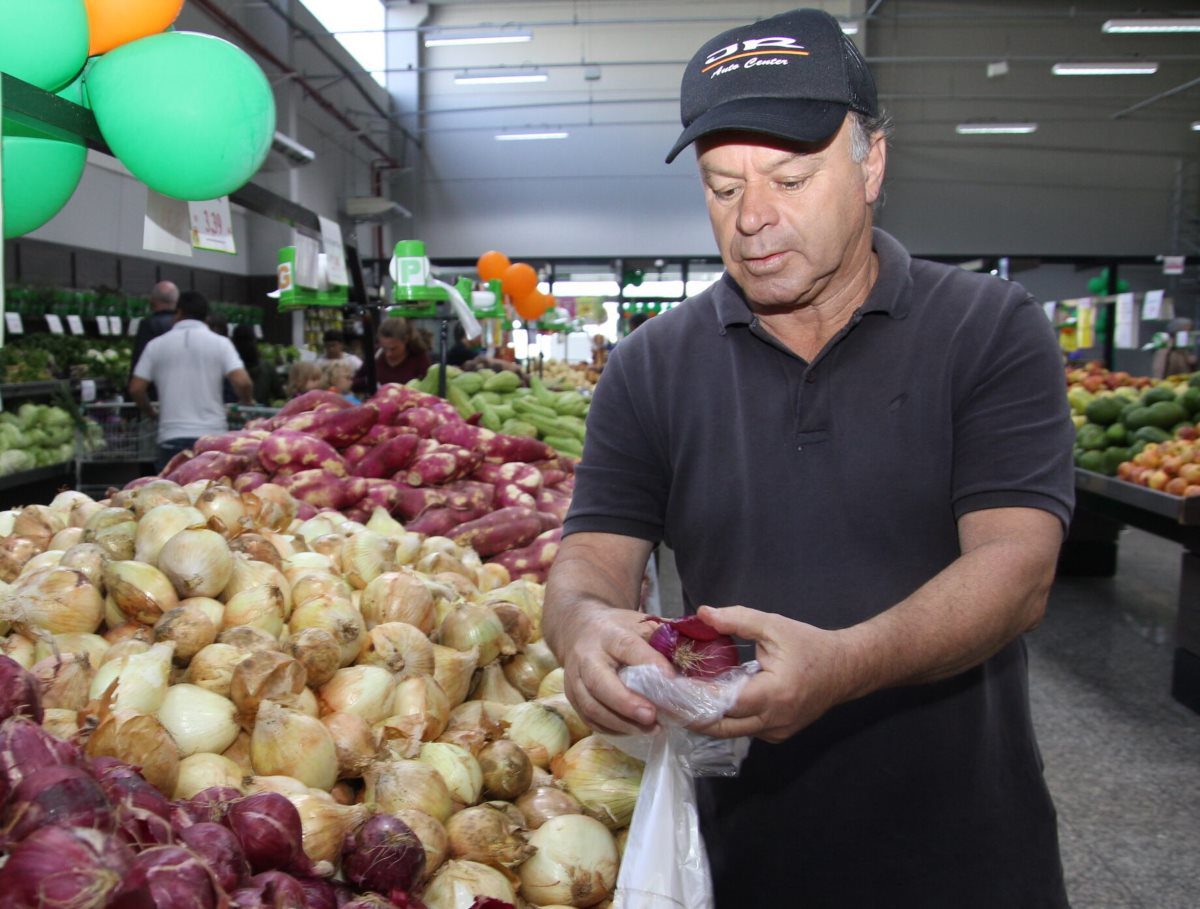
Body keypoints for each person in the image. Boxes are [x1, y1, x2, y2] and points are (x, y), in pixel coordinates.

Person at [542, 9, 1074, 908]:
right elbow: (590, 559)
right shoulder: (650, 366)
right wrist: (583, 627)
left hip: (964, 853)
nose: (752, 217)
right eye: (721, 186)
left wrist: (841, 665)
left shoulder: (988, 328)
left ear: (871, 164)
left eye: (790, 178)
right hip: (742, 853)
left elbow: (1017, 570)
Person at [130, 291, 253, 470]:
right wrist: (246, 401)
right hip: (213, 436)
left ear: (178, 313)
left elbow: (136, 388)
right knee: (214, 493)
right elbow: (243, 382)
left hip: (171, 436)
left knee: (171, 494)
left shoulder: (156, 345)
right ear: (206, 316)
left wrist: (150, 412)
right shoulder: (221, 343)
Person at [351, 317, 432, 393]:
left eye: (393, 349)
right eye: (384, 348)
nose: (388, 354)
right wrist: (367, 381)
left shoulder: (418, 358)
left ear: (406, 340)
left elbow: (429, 389)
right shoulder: (375, 355)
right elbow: (355, 383)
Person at [129, 280, 179, 384]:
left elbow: (140, 360)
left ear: (153, 300)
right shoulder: (182, 325)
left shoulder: (149, 325)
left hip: (154, 388)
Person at [232, 324, 284, 406]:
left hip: (235, 415)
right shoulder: (267, 367)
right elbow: (280, 396)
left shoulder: (231, 370)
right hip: (263, 415)